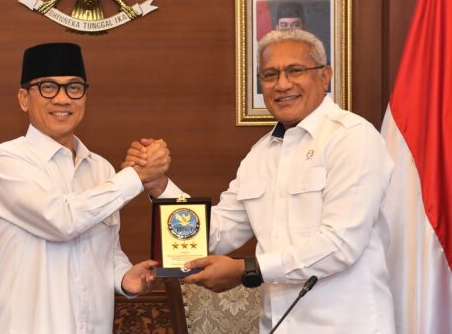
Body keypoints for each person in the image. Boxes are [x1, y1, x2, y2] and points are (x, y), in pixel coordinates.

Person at [124, 29, 395, 333]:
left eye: (295, 70)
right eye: (270, 75)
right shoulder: (260, 155)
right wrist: (158, 184)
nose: (282, 84)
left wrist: (247, 270)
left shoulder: (353, 138)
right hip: (277, 326)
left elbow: (340, 245)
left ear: (325, 76)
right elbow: (217, 233)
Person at [0, 42, 171, 334]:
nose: (62, 99)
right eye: (48, 87)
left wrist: (125, 277)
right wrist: (136, 176)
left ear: (84, 96)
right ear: (24, 98)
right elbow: (62, 221)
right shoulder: (8, 159)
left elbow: (106, 250)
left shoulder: (101, 169)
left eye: (74, 88)